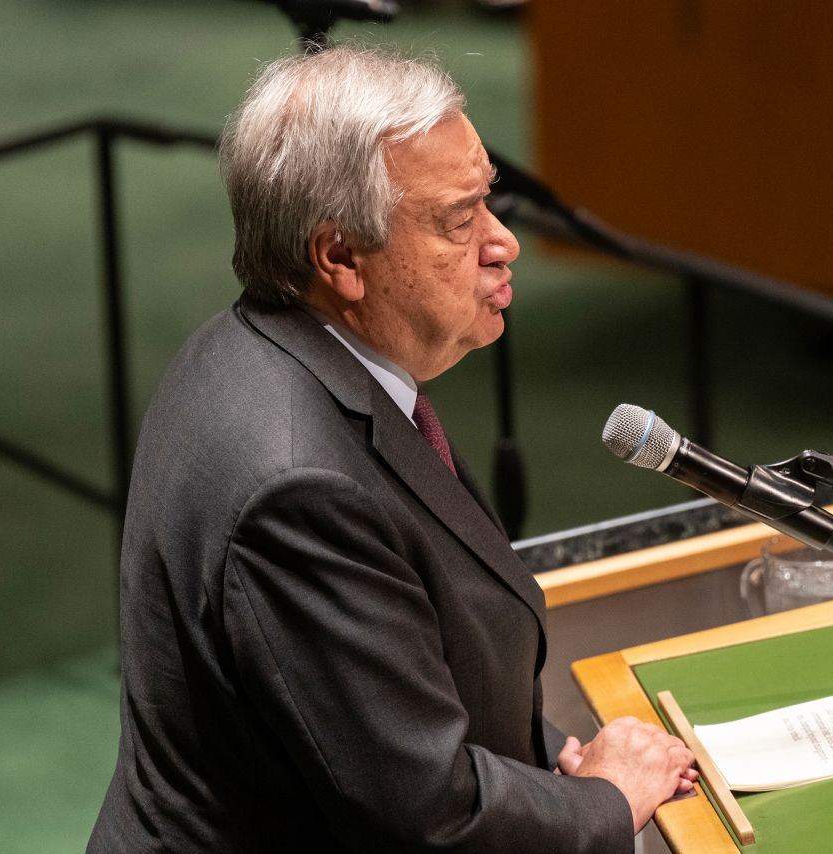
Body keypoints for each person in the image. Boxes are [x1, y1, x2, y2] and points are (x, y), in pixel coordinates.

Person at [88, 43, 696, 853]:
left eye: (490, 200)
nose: (502, 242)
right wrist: (609, 800)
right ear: (340, 258)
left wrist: (551, 762)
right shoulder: (297, 481)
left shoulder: (262, 349)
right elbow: (426, 814)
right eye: (458, 219)